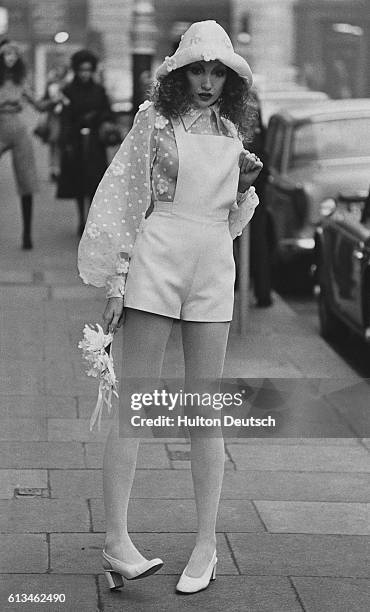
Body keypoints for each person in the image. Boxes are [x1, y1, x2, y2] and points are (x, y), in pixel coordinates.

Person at [78, 20, 262, 595]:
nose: (207, 81)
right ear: (180, 73)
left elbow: (230, 221)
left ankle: (206, 544)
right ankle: (116, 542)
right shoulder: (151, 121)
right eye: (198, 70)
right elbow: (126, 198)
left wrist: (244, 186)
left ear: (229, 80)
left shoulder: (233, 129)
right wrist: (115, 282)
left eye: (218, 72)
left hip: (212, 264)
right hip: (156, 259)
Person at [57, 49, 113, 236]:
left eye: (88, 70)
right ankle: (81, 217)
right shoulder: (68, 90)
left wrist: (96, 117)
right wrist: (66, 141)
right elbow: (65, 116)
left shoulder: (99, 90)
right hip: (76, 141)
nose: (85, 73)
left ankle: (90, 217)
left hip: (95, 142)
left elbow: (107, 112)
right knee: (79, 181)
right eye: (82, 70)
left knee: (95, 181)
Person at [0, 40, 43, 249]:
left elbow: (38, 105)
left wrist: (56, 99)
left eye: (13, 55)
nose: (10, 58)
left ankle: (27, 233)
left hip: (17, 128)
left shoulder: (20, 81)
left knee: (27, 181)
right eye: (6, 54)